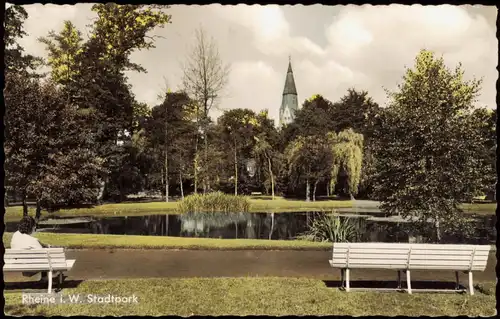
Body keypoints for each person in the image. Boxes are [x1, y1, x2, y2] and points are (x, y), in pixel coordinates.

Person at [11, 216, 52, 282]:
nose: (35, 227)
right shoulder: (32, 241)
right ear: (31, 227)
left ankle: (44, 278)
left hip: (19, 264)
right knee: (47, 255)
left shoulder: (15, 235)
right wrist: (46, 246)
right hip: (30, 267)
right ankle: (45, 278)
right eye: (34, 226)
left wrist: (38, 241)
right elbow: (43, 254)